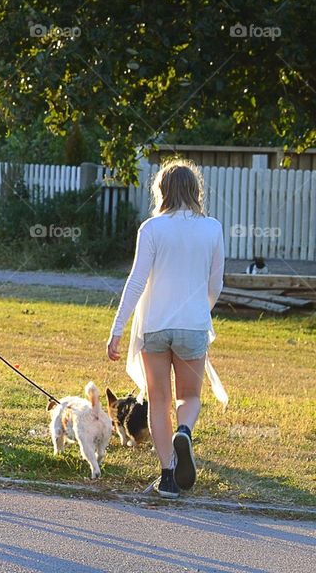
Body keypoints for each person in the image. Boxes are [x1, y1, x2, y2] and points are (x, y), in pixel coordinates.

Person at [107, 159, 228, 499]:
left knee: (158, 401)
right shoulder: (212, 228)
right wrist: (199, 312)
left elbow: (135, 283)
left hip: (155, 326)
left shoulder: (151, 229)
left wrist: (117, 330)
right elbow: (215, 283)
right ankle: (185, 431)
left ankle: (168, 478)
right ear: (196, 191)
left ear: (160, 191)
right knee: (188, 397)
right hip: (192, 325)